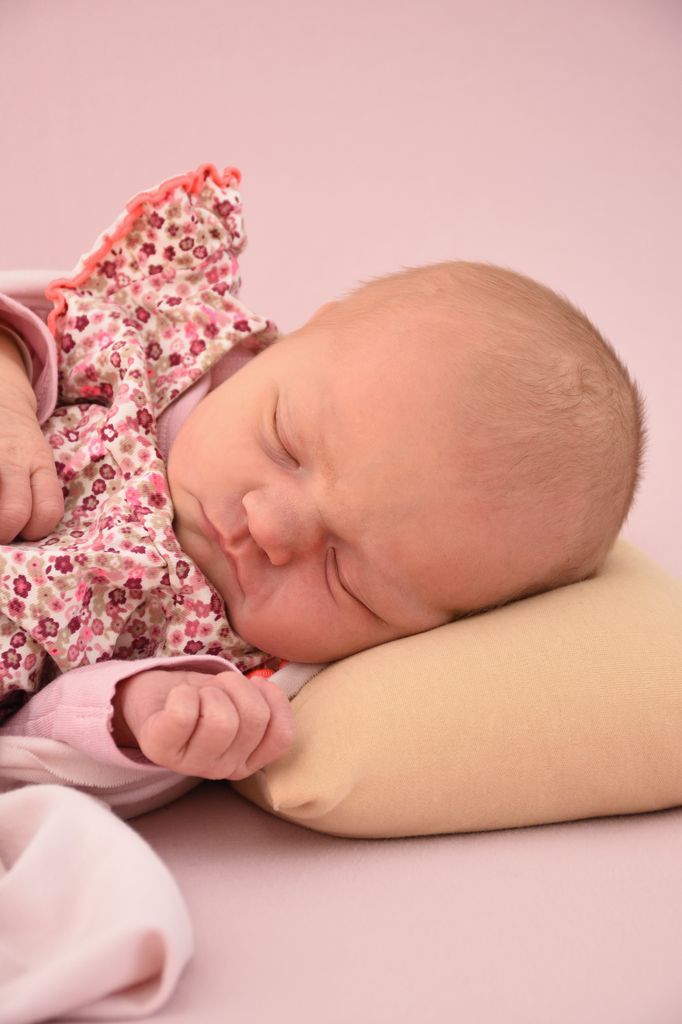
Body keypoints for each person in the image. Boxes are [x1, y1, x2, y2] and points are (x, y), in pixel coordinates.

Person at [0, 163, 647, 783]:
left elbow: (34, 743)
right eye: (285, 444)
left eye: (345, 577)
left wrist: (137, 710)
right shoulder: (160, 344)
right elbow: (27, 319)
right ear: (298, 341)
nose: (270, 525)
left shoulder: (223, 662)